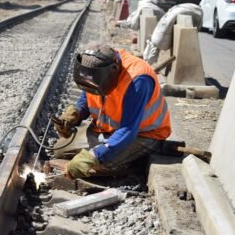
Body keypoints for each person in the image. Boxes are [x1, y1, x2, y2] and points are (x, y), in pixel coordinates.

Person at [53, 42, 172, 179]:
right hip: (107, 130)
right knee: (59, 150)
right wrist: (76, 113)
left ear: (114, 70)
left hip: (143, 134)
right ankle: (114, 153)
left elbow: (128, 129)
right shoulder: (97, 72)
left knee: (99, 163)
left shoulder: (138, 80)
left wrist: (95, 155)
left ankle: (134, 162)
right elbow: (87, 96)